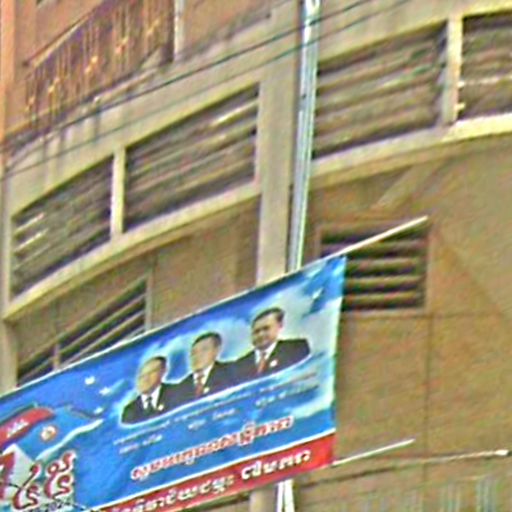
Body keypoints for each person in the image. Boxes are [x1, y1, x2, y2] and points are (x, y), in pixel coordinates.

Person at [234, 307, 310, 382]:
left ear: (279, 326)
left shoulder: (296, 349)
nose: (260, 335)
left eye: (266, 329)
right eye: (256, 331)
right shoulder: (240, 365)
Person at [173, 332, 235, 404]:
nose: (197, 356)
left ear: (216, 350)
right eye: (193, 352)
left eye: (204, 350)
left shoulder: (231, 372)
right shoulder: (180, 389)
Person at [121, 356, 177, 424]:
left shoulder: (176, 392)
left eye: (151, 373)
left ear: (163, 371)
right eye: (142, 376)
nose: (145, 379)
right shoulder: (129, 411)